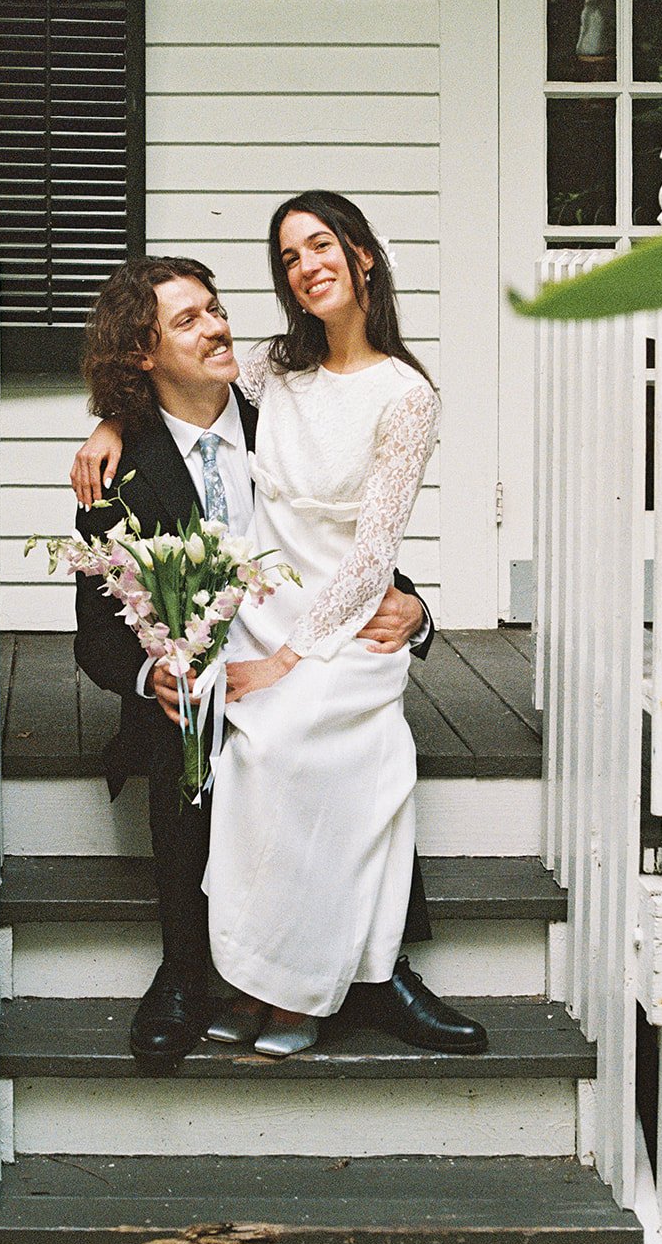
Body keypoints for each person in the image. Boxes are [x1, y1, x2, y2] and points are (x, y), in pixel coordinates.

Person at [72, 254, 443, 1071]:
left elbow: (346, 537)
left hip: (296, 649)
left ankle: (380, 968)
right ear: (143, 353)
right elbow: (95, 634)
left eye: (216, 309)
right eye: (189, 320)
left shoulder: (280, 410)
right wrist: (151, 675)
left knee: (362, 723)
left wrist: (416, 612)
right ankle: (186, 968)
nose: (218, 327)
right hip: (204, 676)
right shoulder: (117, 471)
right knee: (191, 737)